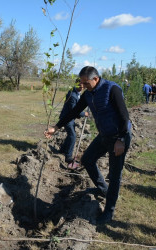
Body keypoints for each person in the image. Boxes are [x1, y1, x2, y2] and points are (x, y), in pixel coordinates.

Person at [44, 66, 131, 224]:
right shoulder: (88, 94)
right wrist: (56, 127)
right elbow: (73, 112)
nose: (82, 86)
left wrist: (122, 140)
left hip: (119, 136)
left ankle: (109, 211)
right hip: (104, 135)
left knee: (115, 174)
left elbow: (125, 116)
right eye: (81, 83)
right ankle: (103, 189)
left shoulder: (112, 89)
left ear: (96, 79)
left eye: (85, 82)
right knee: (88, 159)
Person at [59, 79, 89, 169]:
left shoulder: (77, 93)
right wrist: (84, 114)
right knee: (72, 136)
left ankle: (63, 150)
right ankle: (68, 157)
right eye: (80, 85)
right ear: (76, 84)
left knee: (70, 134)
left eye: (83, 85)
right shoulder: (73, 95)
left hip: (70, 118)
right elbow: (74, 111)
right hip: (66, 118)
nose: (82, 87)